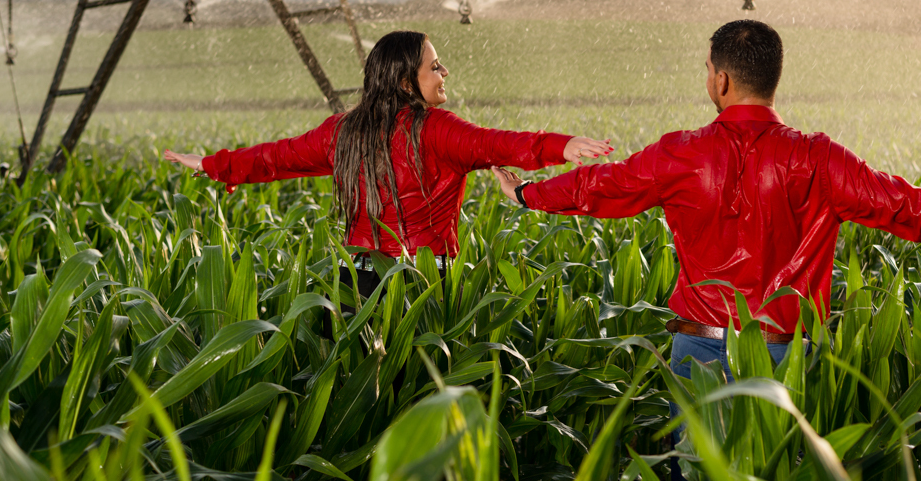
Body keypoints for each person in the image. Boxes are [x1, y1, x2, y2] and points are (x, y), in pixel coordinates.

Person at [492, 19, 921, 481]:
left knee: (692, 479)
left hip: (698, 350)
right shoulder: (816, 157)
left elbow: (601, 186)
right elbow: (915, 208)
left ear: (721, 80)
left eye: (707, 69)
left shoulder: (679, 154)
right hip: (789, 359)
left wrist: (525, 190)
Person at [165, 29, 613, 306]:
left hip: (354, 281)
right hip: (419, 284)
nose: (445, 72)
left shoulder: (342, 131)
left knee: (357, 400)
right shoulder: (436, 130)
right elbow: (497, 143)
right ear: (405, 82)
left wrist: (210, 164)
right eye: (435, 66)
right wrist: (563, 146)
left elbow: (275, 158)